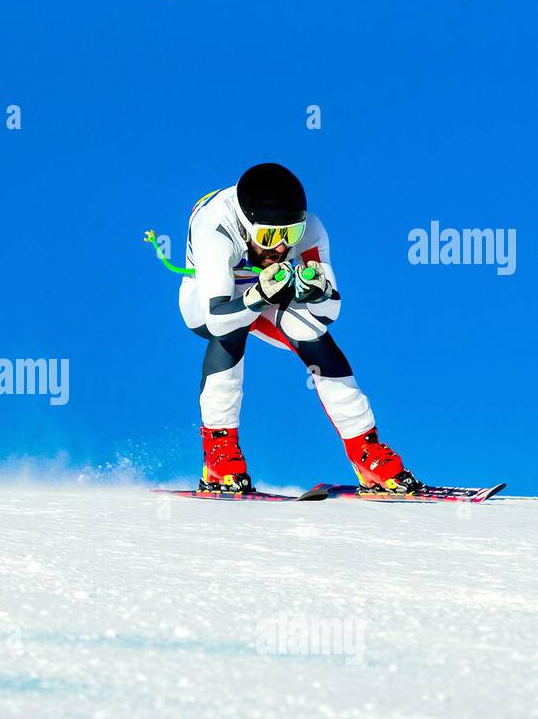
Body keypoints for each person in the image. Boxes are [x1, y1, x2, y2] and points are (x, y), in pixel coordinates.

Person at [179, 162, 422, 493]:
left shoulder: (311, 228)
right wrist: (257, 297)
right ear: (246, 225)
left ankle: (365, 451)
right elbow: (215, 316)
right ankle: (218, 454)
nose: (281, 248)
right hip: (210, 299)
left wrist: (318, 292)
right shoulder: (216, 229)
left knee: (313, 335)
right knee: (230, 332)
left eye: (289, 235)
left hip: (270, 288)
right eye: (269, 236)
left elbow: (330, 312)